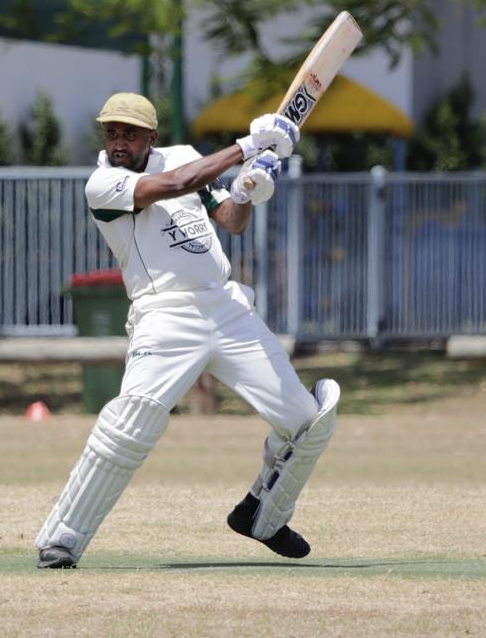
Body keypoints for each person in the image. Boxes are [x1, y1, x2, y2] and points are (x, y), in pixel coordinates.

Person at [35, 92, 340, 569]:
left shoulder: (184, 156)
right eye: (112, 132)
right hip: (164, 313)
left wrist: (246, 189)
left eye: (129, 133)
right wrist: (248, 144)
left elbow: (230, 222)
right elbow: (177, 183)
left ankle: (262, 514)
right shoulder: (103, 184)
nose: (118, 141)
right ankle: (62, 539)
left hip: (225, 305)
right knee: (129, 425)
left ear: (150, 137)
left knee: (308, 421)